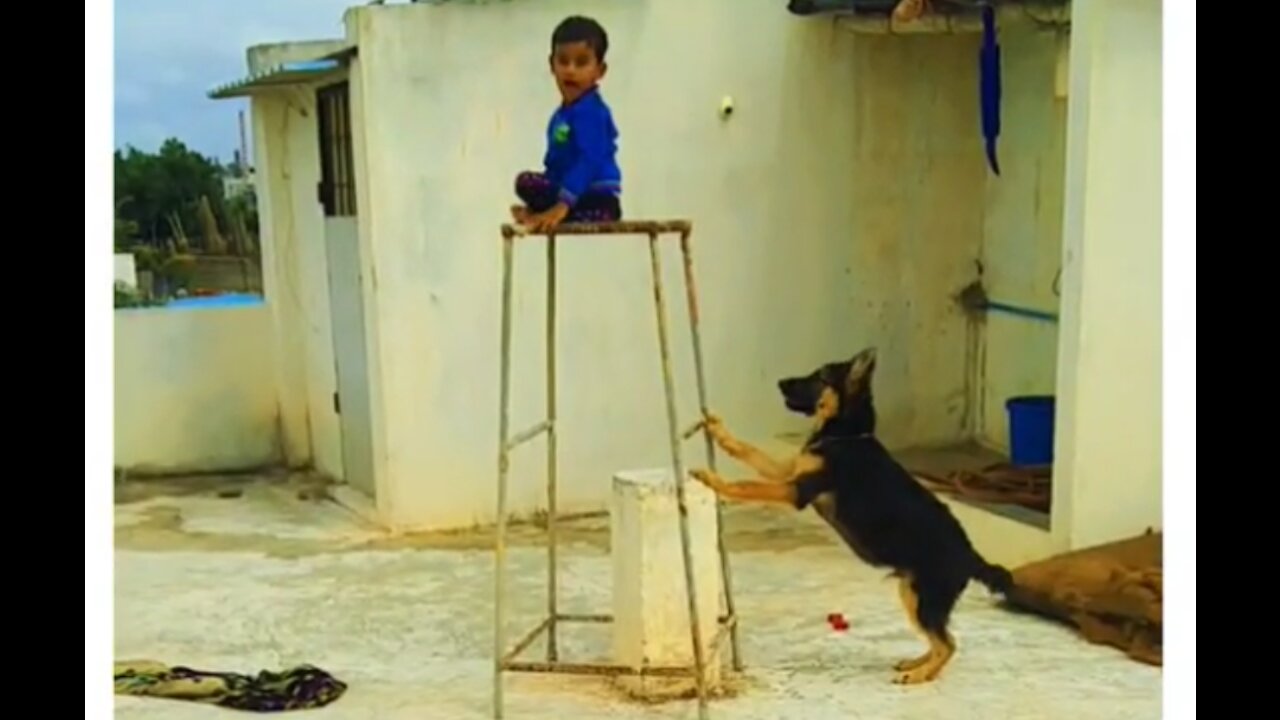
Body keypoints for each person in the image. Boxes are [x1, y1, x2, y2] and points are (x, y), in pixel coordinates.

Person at [512, 16, 622, 231]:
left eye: (581, 63)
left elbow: (589, 160)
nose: (570, 70)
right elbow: (555, 165)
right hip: (569, 194)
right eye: (563, 61)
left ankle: (567, 212)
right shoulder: (560, 116)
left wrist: (562, 205)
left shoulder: (592, 113)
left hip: (596, 195)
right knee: (527, 182)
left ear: (600, 70)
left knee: (534, 184)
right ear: (551, 65)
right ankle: (549, 212)